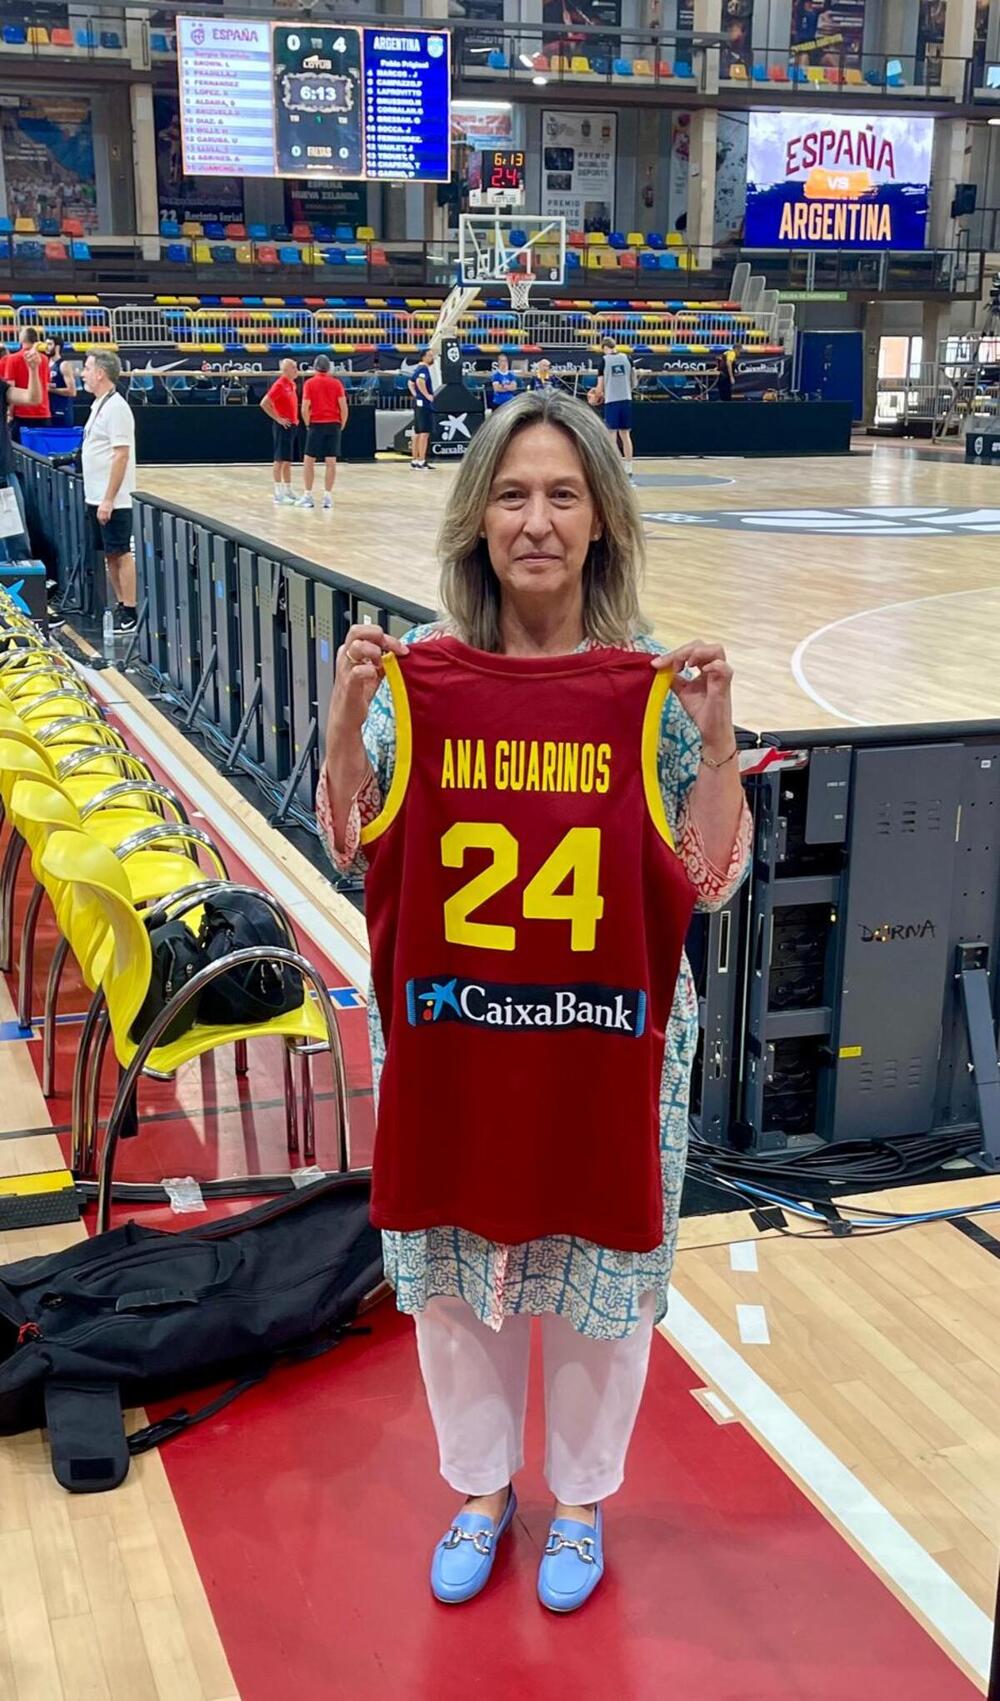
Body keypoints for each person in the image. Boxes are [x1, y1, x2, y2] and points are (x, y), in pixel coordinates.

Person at [317, 389, 750, 1614]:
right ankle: (480, 1488)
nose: (537, 520)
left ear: (602, 520)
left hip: (608, 1058)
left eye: (563, 494)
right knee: (458, 1282)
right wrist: (346, 723)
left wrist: (716, 748)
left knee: (602, 1289)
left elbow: (712, 880)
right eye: (512, 494)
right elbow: (353, 840)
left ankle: (578, 1503)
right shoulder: (417, 683)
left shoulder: (656, 694)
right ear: (476, 520)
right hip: (458, 1046)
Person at [81, 349, 137, 631]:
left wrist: (108, 499)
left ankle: (130, 609)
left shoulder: (117, 408)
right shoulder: (99, 405)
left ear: (100, 373)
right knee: (109, 553)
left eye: (87, 368)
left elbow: (121, 455)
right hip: (96, 495)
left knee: (121, 551)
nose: (83, 374)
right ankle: (120, 603)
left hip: (113, 499)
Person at [0, 344, 42, 561]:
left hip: (2, 475)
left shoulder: (1, 388)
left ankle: (20, 592)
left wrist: (33, 371)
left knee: (15, 543)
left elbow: (33, 398)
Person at [298, 354, 348, 511]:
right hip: (333, 424)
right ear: (329, 368)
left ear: (315, 367)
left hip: (316, 424)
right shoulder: (336, 383)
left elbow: (305, 407)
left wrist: (307, 424)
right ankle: (327, 496)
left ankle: (308, 495)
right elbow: (343, 407)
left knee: (309, 461)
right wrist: (342, 424)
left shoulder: (310, 383)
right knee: (331, 462)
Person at [590, 335, 634, 479]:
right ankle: (629, 466)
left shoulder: (604, 361)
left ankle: (614, 466)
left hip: (612, 400)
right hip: (626, 398)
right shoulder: (628, 358)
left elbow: (600, 386)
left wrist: (595, 397)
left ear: (605, 348)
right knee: (626, 435)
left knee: (612, 436)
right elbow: (634, 381)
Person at [260, 357, 300, 505]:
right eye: (294, 368)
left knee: (288, 460)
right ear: (286, 370)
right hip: (283, 426)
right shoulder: (279, 385)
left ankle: (288, 488)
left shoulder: (292, 384)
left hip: (292, 425)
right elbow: (264, 403)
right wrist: (278, 418)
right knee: (279, 459)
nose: (296, 370)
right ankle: (278, 491)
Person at [6, 327, 51, 441]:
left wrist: (10, 413)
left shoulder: (12, 359)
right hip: (43, 411)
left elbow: (10, 386)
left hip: (22, 413)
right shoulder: (44, 359)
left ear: (21, 339)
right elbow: (46, 383)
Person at [407, 347, 435, 471]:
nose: (432, 358)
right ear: (423, 357)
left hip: (418, 404)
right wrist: (427, 395)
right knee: (424, 433)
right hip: (424, 405)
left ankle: (415, 459)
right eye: (429, 355)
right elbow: (419, 381)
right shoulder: (423, 369)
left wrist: (415, 394)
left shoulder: (417, 368)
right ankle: (421, 461)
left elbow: (410, 382)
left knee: (417, 433)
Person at [47, 338, 78, 427]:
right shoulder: (47, 364)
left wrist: (50, 389)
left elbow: (72, 391)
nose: (47, 347)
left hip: (62, 411)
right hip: (49, 410)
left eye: (49, 344)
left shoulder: (64, 365)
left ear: (57, 347)